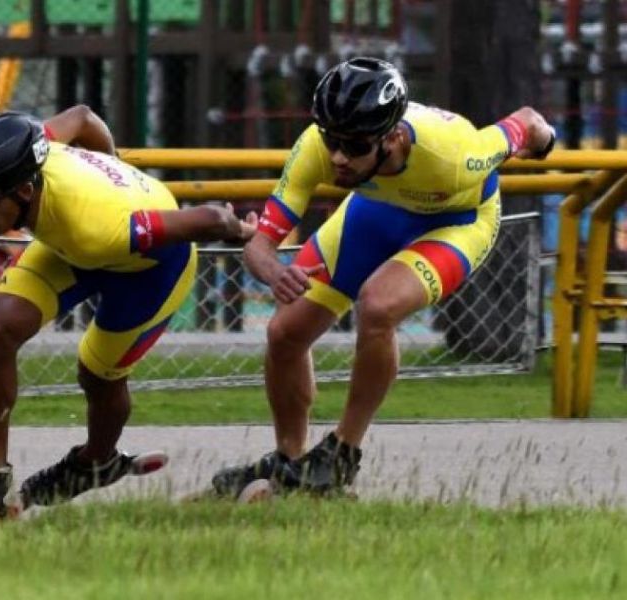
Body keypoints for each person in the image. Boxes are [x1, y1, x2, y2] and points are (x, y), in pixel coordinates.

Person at [210, 57, 555, 498]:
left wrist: (545, 139)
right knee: (284, 332)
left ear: (392, 137)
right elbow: (259, 246)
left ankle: (341, 453)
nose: (338, 157)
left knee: (378, 304)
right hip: (376, 213)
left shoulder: (455, 154)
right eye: (331, 140)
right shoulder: (319, 146)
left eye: (353, 146)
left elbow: (524, 122)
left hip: (457, 220)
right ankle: (290, 462)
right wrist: (275, 273)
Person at [0, 106, 256, 524]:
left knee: (98, 374)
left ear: (25, 192)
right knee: (1, 326)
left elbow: (211, 219)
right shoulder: (36, 148)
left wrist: (246, 231)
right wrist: (112, 165)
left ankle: (96, 462)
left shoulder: (94, 227)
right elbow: (84, 118)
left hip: (150, 270)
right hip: (76, 240)